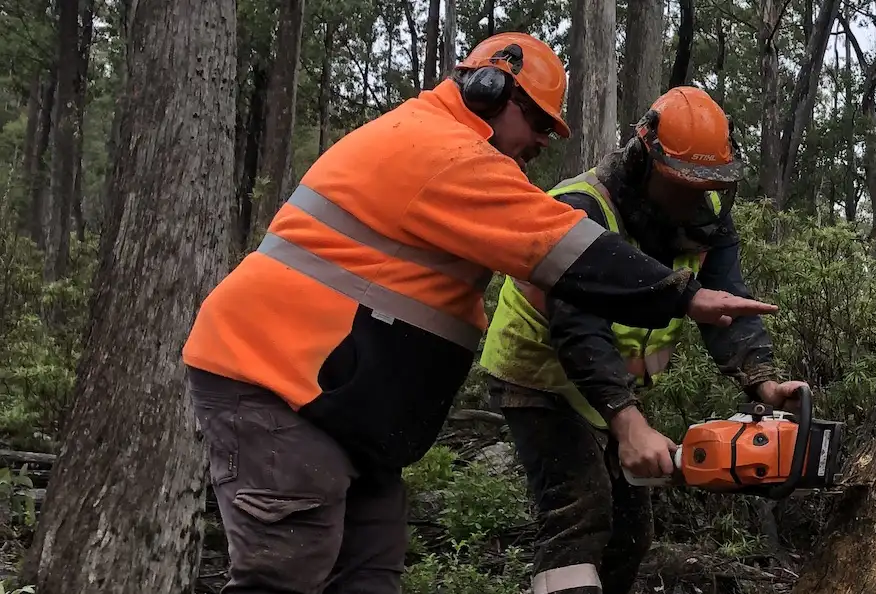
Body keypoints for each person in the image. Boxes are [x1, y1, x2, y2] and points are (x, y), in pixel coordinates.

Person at [180, 33, 777, 593]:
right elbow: (563, 251)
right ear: (490, 91)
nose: (544, 141)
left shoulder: (446, 148)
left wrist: (756, 370)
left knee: (369, 567)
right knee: (289, 567)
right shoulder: (444, 150)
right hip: (278, 377)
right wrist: (683, 296)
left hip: (335, 397)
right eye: (540, 122)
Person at [475, 85, 805, 594]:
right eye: (681, 184)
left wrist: (762, 382)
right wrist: (628, 424)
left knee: (632, 534)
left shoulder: (706, 212)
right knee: (579, 514)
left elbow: (727, 300)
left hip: (607, 391)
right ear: (645, 161)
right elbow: (578, 329)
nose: (694, 197)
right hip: (541, 378)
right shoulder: (581, 208)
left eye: (705, 184)